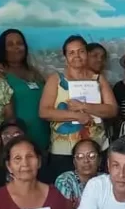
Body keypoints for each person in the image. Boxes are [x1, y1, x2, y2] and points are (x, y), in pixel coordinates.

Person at [39, 35, 117, 182]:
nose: (77, 56)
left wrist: (84, 107)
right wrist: (76, 116)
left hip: (96, 148)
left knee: (98, 191)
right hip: (64, 150)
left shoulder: (98, 79)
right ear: (65, 57)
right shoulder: (56, 79)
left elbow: (112, 109)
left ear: (87, 54)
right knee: (66, 192)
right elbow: (44, 111)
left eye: (80, 51)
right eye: (71, 52)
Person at [0, 29, 50, 152]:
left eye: (19, 43)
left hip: (43, 135)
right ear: (2, 49)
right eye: (10, 44)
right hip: (17, 137)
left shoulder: (35, 72)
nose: (16, 47)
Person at [54, 138, 103, 207]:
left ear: (99, 160)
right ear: (74, 162)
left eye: (91, 156)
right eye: (80, 156)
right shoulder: (65, 181)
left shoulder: (107, 180)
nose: (86, 160)